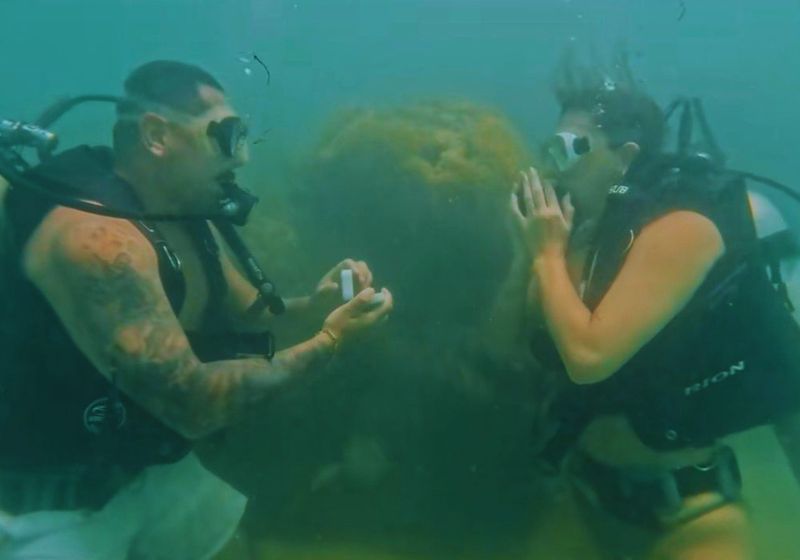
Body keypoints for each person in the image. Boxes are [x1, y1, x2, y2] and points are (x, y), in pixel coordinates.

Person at [0, 60, 393, 559]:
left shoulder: (178, 212)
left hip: (138, 471)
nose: (243, 157)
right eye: (226, 136)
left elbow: (251, 318)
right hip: (39, 508)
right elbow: (192, 402)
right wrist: (330, 342)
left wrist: (317, 308)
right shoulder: (96, 240)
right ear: (156, 135)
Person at [488, 56, 800, 559]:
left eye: (571, 148)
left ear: (625, 155)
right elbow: (502, 349)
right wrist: (522, 258)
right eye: (550, 147)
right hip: (582, 496)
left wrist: (545, 254)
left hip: (689, 513)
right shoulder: (574, 234)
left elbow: (588, 359)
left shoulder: (684, 228)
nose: (554, 163)